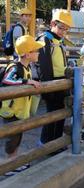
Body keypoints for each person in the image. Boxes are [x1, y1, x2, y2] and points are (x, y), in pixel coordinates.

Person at [1, 35, 44, 176]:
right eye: (35, 50)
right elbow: (7, 80)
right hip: (11, 111)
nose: (38, 53)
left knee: (18, 136)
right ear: (27, 54)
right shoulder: (15, 67)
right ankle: (9, 165)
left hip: (19, 110)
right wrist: (26, 82)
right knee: (12, 138)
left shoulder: (27, 67)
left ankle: (14, 159)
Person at [37, 9, 73, 145]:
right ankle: (46, 143)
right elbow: (44, 66)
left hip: (62, 82)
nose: (63, 31)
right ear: (53, 23)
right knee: (52, 115)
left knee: (61, 114)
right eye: (61, 27)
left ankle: (56, 143)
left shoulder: (59, 40)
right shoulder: (45, 39)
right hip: (51, 84)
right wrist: (48, 88)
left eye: (66, 29)